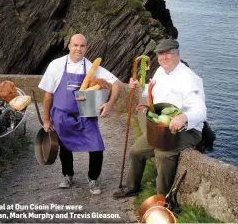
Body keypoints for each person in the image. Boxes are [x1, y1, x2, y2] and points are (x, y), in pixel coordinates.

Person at [113, 38, 206, 198]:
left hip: (186, 130)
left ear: (177, 54)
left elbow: (201, 111)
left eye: (168, 54)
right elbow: (152, 90)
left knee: (163, 154)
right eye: (160, 55)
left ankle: (162, 198)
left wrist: (184, 117)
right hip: (161, 127)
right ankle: (132, 188)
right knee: (135, 152)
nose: (163, 58)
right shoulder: (160, 71)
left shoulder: (189, 78)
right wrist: (139, 88)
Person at [38, 34, 122, 195]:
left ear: (86, 48)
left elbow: (117, 84)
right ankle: (67, 175)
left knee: (97, 147)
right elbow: (48, 95)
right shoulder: (56, 66)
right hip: (61, 115)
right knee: (64, 148)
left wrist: (109, 104)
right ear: (69, 46)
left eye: (82, 46)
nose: (78, 48)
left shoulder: (92, 68)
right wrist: (46, 120)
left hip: (85, 115)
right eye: (75, 45)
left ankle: (93, 178)